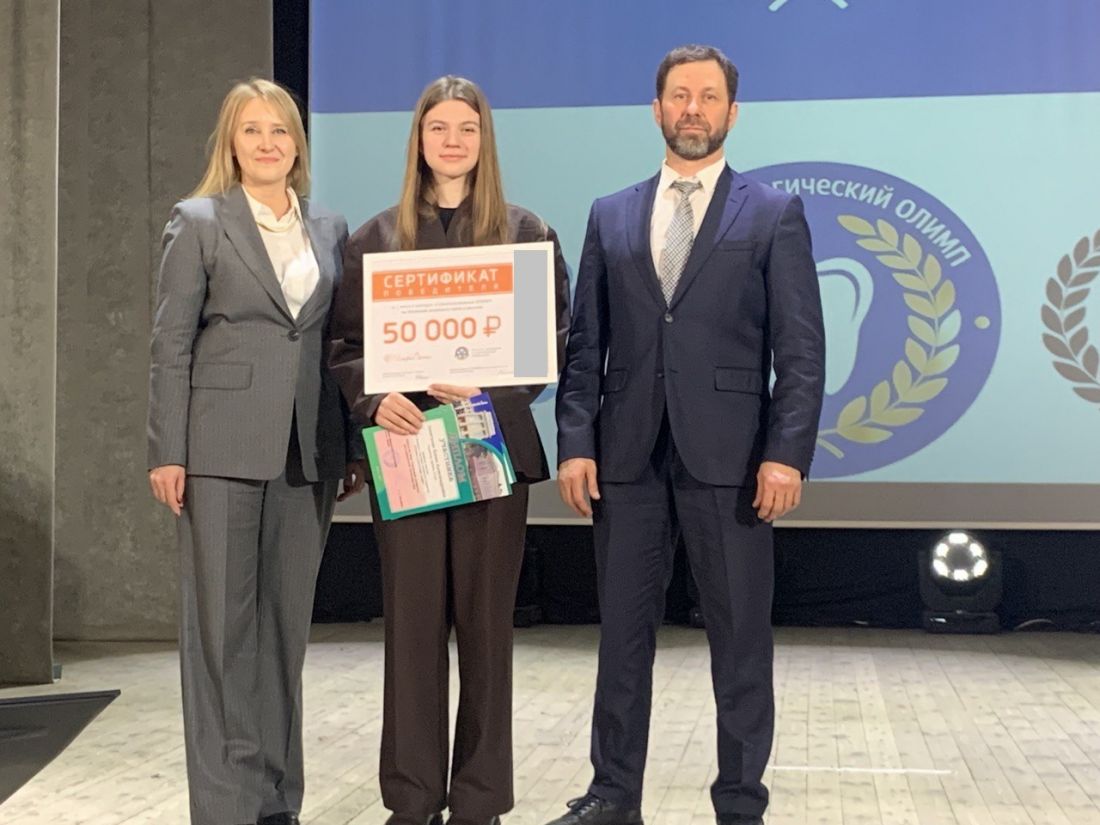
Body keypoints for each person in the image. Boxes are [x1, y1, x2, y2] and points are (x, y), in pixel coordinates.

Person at [550, 45, 826, 825]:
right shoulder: (610, 213)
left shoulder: (772, 213)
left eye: (708, 96)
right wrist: (576, 440)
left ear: (733, 112)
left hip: (733, 462)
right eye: (679, 95)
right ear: (656, 109)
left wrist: (786, 454)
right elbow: (585, 343)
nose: (692, 109)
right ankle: (612, 796)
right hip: (626, 457)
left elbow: (801, 350)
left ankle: (740, 802)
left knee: (739, 643)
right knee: (621, 638)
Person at [327, 75, 571, 825]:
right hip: (407, 452)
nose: (454, 140)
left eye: (468, 127)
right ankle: (411, 798)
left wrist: (489, 393)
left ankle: (479, 800)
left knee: (487, 630)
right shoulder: (374, 240)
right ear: (419, 140)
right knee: (411, 631)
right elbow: (344, 346)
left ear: (484, 139)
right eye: (439, 127)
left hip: (488, 448)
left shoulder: (527, 233)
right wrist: (374, 398)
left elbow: (555, 338)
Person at [146, 78, 366, 825]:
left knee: (283, 633)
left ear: (297, 143)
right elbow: (170, 344)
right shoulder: (199, 221)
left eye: (280, 130)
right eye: (252, 130)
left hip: (309, 451)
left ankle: (276, 801)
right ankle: (225, 806)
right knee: (220, 634)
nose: (268, 142)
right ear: (231, 143)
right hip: (218, 451)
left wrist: (349, 445)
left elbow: (339, 343)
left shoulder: (330, 227)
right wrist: (167, 449)